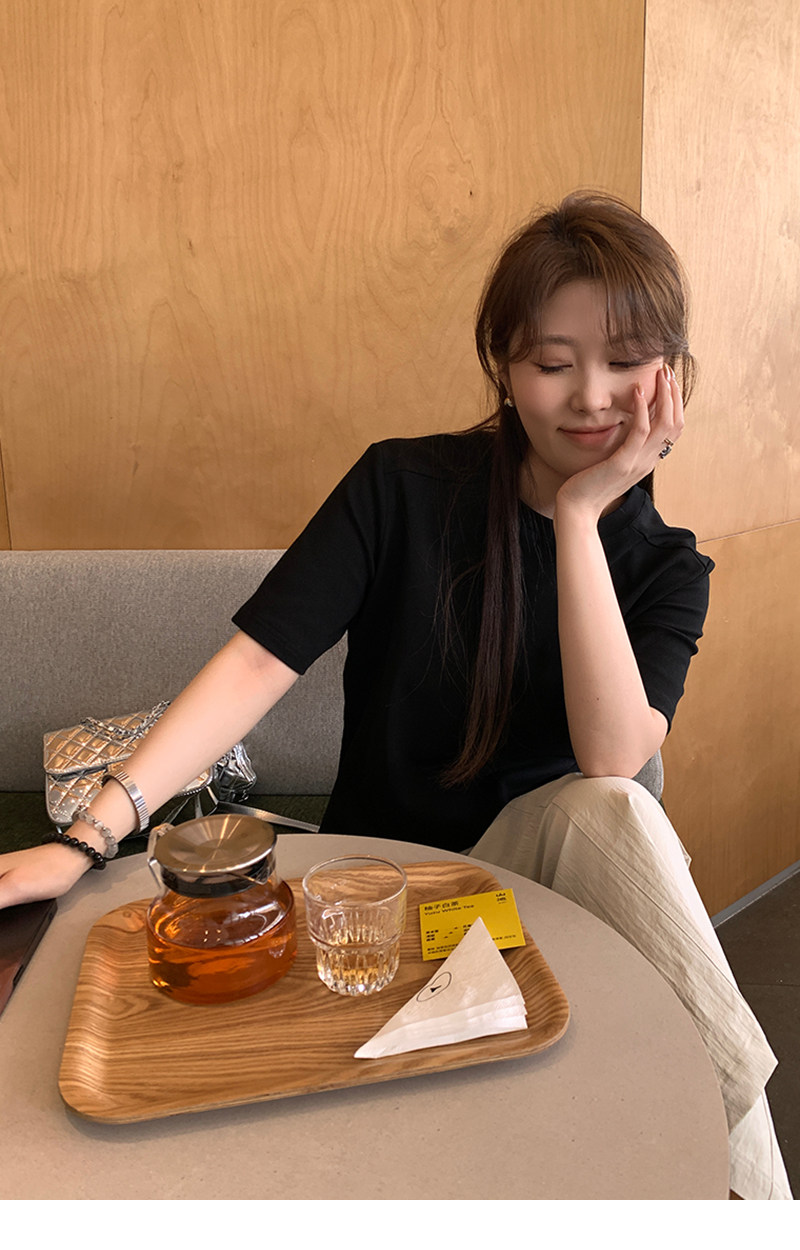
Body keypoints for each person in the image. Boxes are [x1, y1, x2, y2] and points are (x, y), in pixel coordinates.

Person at [0, 192, 790, 1199]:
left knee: (611, 806)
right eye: (553, 363)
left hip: (535, 907)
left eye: (626, 358)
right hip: (375, 898)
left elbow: (611, 756)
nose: (592, 396)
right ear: (503, 366)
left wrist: (581, 519)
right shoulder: (401, 488)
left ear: (669, 373)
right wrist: (86, 838)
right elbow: (255, 664)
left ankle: (748, 1201)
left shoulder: (666, 567)